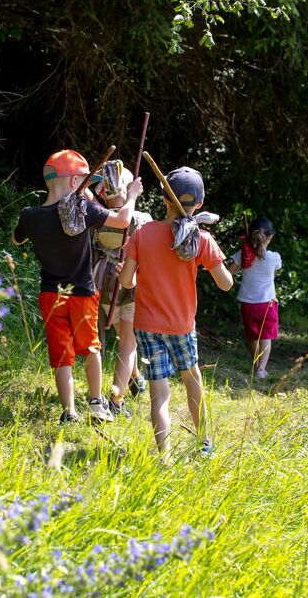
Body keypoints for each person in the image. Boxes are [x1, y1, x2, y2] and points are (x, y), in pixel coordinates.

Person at [12, 150, 143, 424]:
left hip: (50, 294)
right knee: (90, 348)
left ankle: (69, 412)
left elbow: (16, 240)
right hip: (82, 293)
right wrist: (130, 196)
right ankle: (96, 403)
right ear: (74, 183)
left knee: (62, 356)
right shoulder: (83, 211)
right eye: (83, 180)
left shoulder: (31, 215)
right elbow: (122, 220)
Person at [119, 167, 232, 462]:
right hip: (181, 326)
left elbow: (126, 282)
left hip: (146, 325)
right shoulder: (201, 239)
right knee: (191, 379)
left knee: (159, 393)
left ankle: (165, 457)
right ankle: (205, 443)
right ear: (200, 204)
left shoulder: (143, 233)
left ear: (163, 199)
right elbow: (225, 284)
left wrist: (133, 272)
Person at [92, 161, 152, 418]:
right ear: (130, 190)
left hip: (103, 282)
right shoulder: (143, 220)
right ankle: (116, 398)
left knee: (123, 335)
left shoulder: (97, 216)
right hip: (130, 281)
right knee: (128, 342)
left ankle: (135, 378)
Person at [228, 216, 282, 379]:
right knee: (266, 337)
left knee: (252, 336)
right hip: (267, 304)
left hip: (248, 303)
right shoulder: (274, 257)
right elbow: (275, 270)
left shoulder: (243, 254)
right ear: (270, 237)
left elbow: (228, 272)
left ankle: (255, 365)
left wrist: (245, 253)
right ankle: (261, 369)